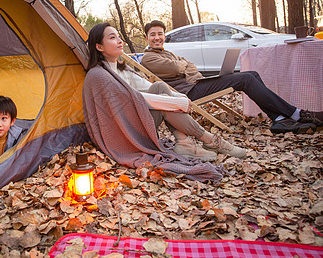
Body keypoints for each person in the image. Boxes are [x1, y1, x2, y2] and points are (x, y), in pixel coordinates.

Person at [86, 22, 246, 161]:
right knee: (164, 103)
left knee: (160, 87)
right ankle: (209, 139)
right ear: (99, 46)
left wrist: (180, 96)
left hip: (136, 119)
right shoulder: (100, 75)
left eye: (119, 36)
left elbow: (146, 88)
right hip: (125, 133)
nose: (120, 41)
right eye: (112, 38)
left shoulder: (121, 68)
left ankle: (184, 143)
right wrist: (177, 102)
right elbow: (135, 98)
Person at [141, 20, 323, 134]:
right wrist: (184, 66)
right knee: (246, 79)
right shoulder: (148, 57)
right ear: (147, 38)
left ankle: (279, 119)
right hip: (189, 92)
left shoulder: (167, 52)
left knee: (252, 74)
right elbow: (177, 67)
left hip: (196, 83)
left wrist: (184, 67)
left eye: (160, 34)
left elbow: (190, 65)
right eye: (153, 35)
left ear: (164, 35)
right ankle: (295, 114)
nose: (157, 37)